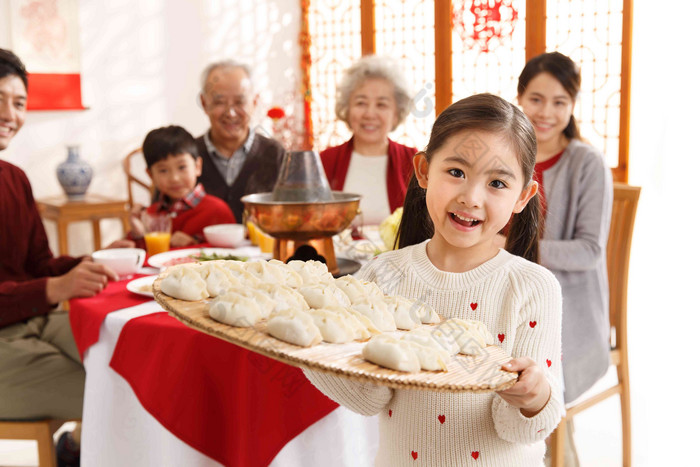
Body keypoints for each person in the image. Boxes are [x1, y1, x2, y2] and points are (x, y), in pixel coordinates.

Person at [305, 93, 563, 466]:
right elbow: (369, 397)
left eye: (497, 183)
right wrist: (308, 348)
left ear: (523, 196)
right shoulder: (382, 276)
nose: (471, 197)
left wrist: (534, 396)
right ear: (424, 171)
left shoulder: (532, 287)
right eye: (456, 172)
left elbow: (521, 429)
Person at [0, 48, 117, 466]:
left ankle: (76, 449)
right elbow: (44, 283)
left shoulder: (14, 178)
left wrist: (94, 260)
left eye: (18, 103)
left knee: (126, 356)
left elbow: (37, 264)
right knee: (121, 394)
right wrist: (53, 288)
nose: (9, 114)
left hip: (34, 322)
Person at [516, 51, 613, 465]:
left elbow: (590, 250)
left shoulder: (586, 163)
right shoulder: (509, 154)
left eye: (560, 102)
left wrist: (514, 252)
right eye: (536, 99)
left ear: (572, 106)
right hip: (514, 300)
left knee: (531, 384)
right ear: (519, 98)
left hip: (570, 316)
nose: (546, 112)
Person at [320, 55, 416, 225]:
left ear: (396, 114)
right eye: (361, 103)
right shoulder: (324, 161)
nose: (370, 114)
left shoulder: (414, 161)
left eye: (381, 105)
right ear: (347, 109)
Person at [109, 125, 236, 249]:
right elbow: (141, 259)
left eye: (182, 167)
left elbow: (231, 255)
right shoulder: (150, 214)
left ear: (197, 166)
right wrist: (138, 235)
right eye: (163, 170)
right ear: (150, 175)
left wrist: (193, 245)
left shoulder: (217, 210)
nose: (174, 178)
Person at [196, 60, 285, 222]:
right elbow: (162, 214)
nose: (230, 113)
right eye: (219, 102)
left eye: (239, 102)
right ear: (204, 103)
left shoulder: (275, 154)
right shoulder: (187, 154)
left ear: (254, 102)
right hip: (201, 247)